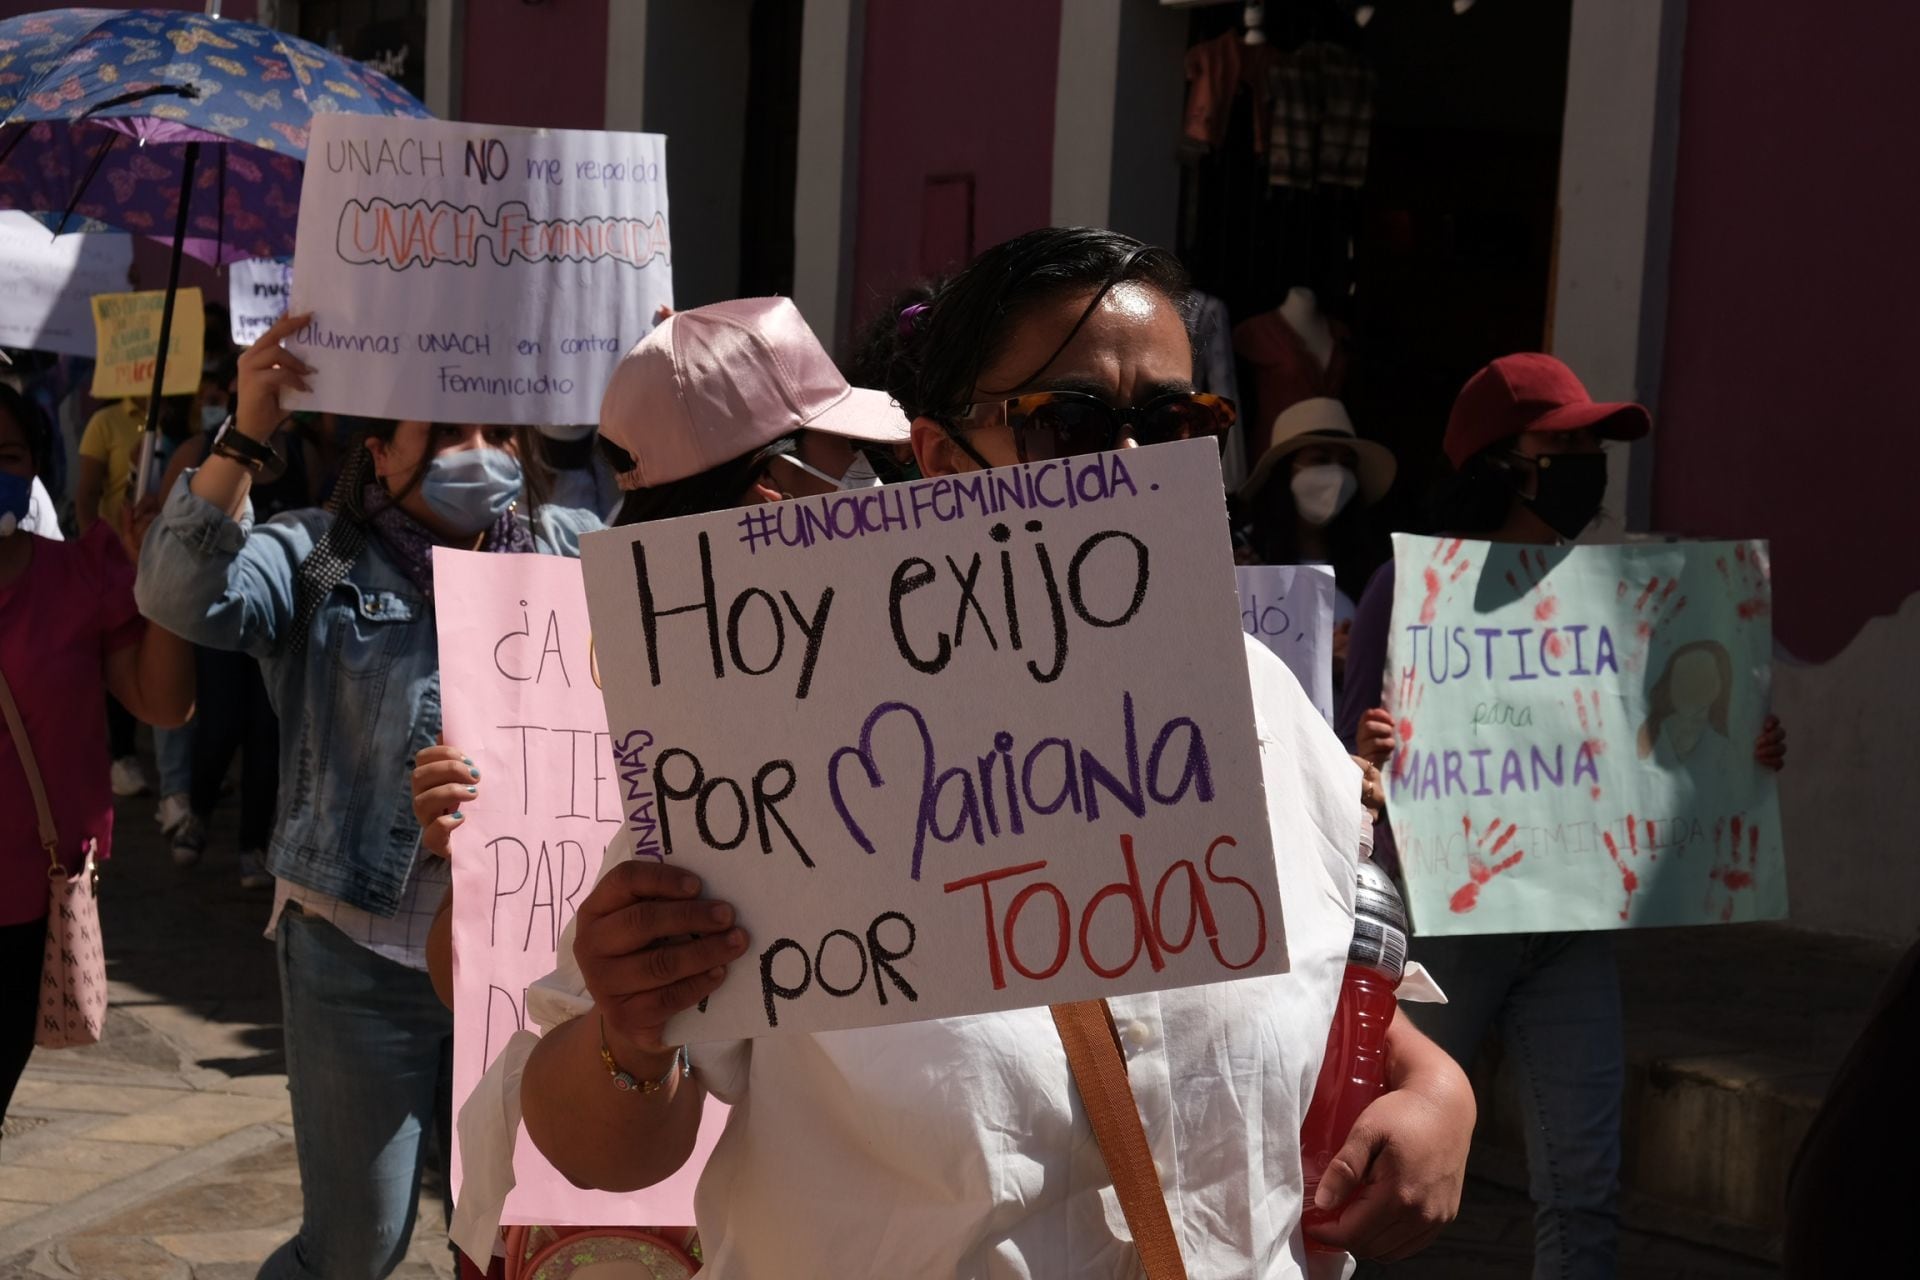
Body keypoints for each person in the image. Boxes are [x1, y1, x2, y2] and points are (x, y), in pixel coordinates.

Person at [472, 232, 1473, 1278]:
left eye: (1179, 424)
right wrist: (630, 1035)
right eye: (1071, 424)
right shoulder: (771, 745)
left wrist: (1441, 1094)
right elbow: (605, 1149)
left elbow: (1350, 988)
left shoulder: (1265, 705)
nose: (1132, 467)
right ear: (944, 458)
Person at [422, 295, 919, 1278]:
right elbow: (488, 987)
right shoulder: (706, 759)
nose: (871, 487)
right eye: (845, 459)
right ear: (775, 492)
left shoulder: (849, 705)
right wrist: (465, 870)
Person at [135, 312, 601, 1280]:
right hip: (359, 957)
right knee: (356, 1247)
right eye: (451, 433)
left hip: (524, 959)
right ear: (381, 452)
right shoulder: (320, 556)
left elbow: (681, 578)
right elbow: (180, 594)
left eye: (499, 434)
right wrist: (245, 429)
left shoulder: (564, 548)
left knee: (520, 1238)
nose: (483, 456)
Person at [1337, 353, 1788, 1279]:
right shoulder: (1411, 594)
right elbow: (1343, 767)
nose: (1589, 461)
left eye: (1595, 443)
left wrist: (1741, 755)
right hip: (1447, 930)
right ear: (1499, 461)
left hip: (1572, 924)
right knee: (1386, 1170)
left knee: (1584, 1186)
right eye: (1564, 442)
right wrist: (1369, 751)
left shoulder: (1622, 603)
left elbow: (1666, 742)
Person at [0, 381, 194, 1133]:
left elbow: (163, 705)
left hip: (22, 916)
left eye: (8, 454)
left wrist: (164, 584)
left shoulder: (83, 575)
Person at [1235, 397, 1396, 685]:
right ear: (1286, 470)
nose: (1336, 475)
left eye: (1346, 464)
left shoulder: (1374, 568)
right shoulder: (1241, 559)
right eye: (1320, 460)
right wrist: (1320, 661)